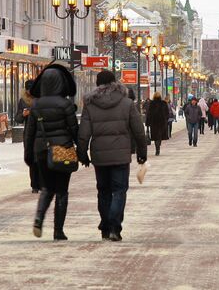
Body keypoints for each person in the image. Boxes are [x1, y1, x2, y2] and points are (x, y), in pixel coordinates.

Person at [77, 70, 148, 242]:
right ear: (115, 83)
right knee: (119, 190)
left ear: (97, 85)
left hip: (100, 156)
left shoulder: (90, 105)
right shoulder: (127, 103)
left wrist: (82, 154)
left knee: (103, 191)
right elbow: (139, 131)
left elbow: (84, 133)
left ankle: (106, 226)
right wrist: (142, 153)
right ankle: (115, 226)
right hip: (121, 155)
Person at [23, 65, 78, 240]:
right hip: (63, 150)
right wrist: (82, 151)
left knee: (47, 188)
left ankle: (39, 218)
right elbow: (74, 130)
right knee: (62, 191)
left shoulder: (35, 105)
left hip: (41, 151)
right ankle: (58, 230)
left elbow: (29, 133)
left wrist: (28, 154)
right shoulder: (66, 105)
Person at [15, 79, 40, 193]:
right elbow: (18, 119)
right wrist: (23, 114)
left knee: (41, 159)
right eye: (28, 89)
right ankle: (34, 185)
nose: (30, 92)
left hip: (41, 133)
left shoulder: (42, 99)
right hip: (29, 133)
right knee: (32, 160)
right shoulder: (23, 101)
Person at [145, 92, 170, 156]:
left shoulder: (151, 104)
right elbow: (167, 113)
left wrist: (147, 123)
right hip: (162, 123)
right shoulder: (163, 103)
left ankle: (157, 149)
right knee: (160, 136)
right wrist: (166, 119)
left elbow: (149, 114)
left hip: (154, 123)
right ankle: (158, 146)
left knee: (156, 136)